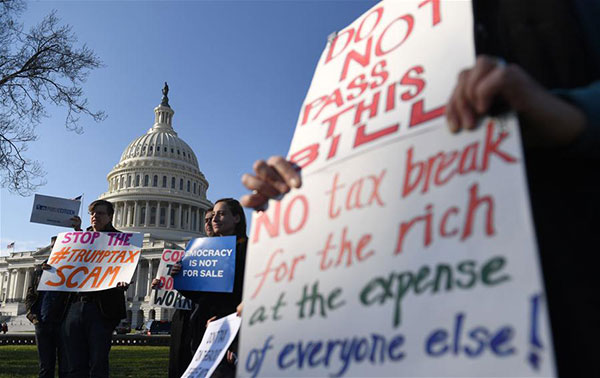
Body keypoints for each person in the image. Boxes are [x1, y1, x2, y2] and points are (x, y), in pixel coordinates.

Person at [241, 2, 600, 376]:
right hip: (411, 317)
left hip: (562, 280)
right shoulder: (380, 41)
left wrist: (576, 116)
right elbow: (382, 179)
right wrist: (301, 193)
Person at [172, 198, 248, 377]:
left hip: (230, 327)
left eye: (221, 214)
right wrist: (181, 278)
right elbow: (202, 296)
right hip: (203, 326)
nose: (214, 219)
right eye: (213, 215)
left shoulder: (247, 249)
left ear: (237, 218)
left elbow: (247, 294)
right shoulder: (204, 250)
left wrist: (234, 334)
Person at [64, 199, 130, 378]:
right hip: (76, 306)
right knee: (75, 361)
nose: (95, 217)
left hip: (102, 308)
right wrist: (52, 267)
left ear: (110, 216)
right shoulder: (80, 238)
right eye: (93, 214)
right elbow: (69, 262)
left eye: (100, 213)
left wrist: (124, 280)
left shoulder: (123, 241)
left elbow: (125, 269)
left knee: (98, 362)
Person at [160, 207, 215, 378]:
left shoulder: (229, 250)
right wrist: (165, 282)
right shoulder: (192, 250)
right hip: (185, 314)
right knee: (181, 361)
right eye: (205, 220)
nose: (209, 224)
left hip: (210, 314)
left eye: (212, 219)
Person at [25, 236, 68, 378]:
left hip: (63, 323)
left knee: (65, 366)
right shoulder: (39, 270)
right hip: (42, 322)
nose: (56, 249)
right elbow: (30, 295)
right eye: (53, 246)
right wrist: (32, 315)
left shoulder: (72, 269)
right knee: (45, 366)